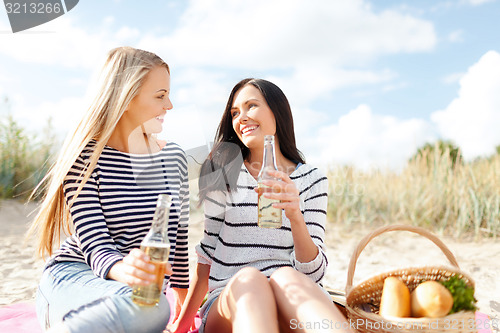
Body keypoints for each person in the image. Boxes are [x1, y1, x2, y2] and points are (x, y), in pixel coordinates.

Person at [169, 78, 353, 333]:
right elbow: (207, 253)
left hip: (290, 299)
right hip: (231, 300)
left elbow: (313, 274)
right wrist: (183, 322)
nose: (241, 117)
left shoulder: (312, 179)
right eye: (235, 112)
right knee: (251, 278)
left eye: (251, 106)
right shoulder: (221, 172)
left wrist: (295, 215)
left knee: (285, 276)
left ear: (277, 112)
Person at [28, 46, 190, 333]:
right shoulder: (85, 159)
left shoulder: (173, 157)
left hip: (132, 294)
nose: (169, 105)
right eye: (160, 96)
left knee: (151, 306)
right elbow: (96, 245)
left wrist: (181, 296)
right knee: (150, 306)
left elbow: (178, 235)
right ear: (126, 97)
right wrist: (124, 269)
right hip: (75, 279)